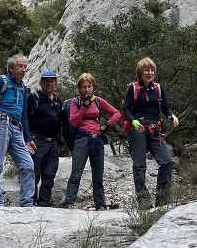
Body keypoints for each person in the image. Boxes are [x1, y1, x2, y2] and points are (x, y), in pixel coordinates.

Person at [0, 54, 36, 207]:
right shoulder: (0, 81)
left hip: (17, 128)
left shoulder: (24, 88)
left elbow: (23, 115)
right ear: (11, 68)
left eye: (25, 66)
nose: (23, 69)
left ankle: (26, 203)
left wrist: (28, 138)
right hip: (1, 124)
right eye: (19, 66)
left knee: (28, 166)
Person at [62, 73, 122, 210]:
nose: (87, 90)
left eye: (89, 86)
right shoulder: (75, 102)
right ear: (79, 88)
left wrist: (107, 125)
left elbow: (117, 113)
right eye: (84, 87)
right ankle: (69, 203)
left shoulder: (98, 101)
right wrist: (84, 106)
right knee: (76, 173)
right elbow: (74, 122)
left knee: (98, 175)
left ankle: (100, 205)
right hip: (81, 138)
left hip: (96, 139)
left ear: (93, 87)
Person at [123, 57, 179, 205]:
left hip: (155, 129)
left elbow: (165, 107)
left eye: (152, 70)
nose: (150, 72)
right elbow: (126, 109)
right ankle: (143, 200)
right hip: (138, 129)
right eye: (146, 70)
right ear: (140, 72)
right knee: (139, 164)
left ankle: (162, 198)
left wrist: (171, 115)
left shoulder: (158, 88)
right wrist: (133, 121)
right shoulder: (133, 88)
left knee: (166, 161)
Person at [26, 71, 63, 207]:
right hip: (37, 141)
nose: (49, 84)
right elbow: (25, 118)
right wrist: (28, 139)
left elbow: (60, 122)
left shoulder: (57, 101)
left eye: (52, 81)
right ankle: (31, 201)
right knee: (34, 173)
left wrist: (60, 142)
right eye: (46, 81)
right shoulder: (33, 98)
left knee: (49, 174)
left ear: (55, 83)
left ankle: (44, 202)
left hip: (53, 142)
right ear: (41, 83)